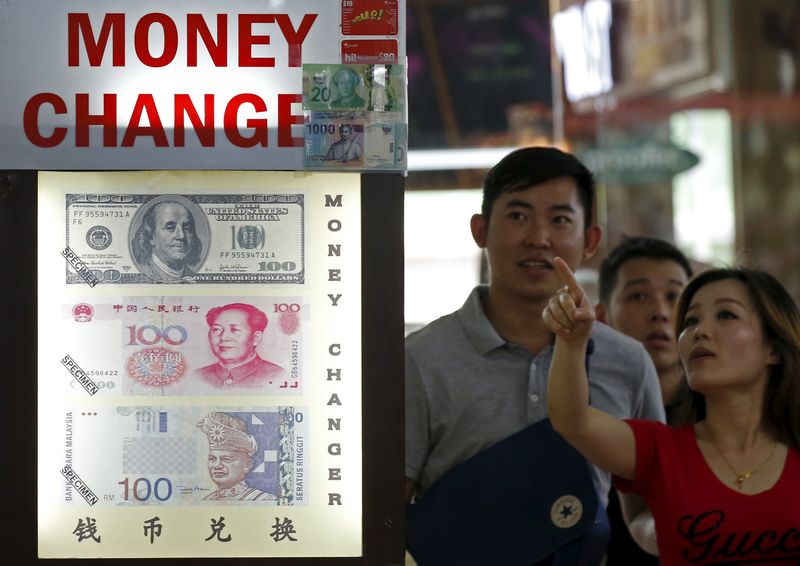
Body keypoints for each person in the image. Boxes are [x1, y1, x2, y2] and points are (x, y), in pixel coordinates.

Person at [405, 147, 665, 564]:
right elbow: (385, 514)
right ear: (480, 230)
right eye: (517, 216)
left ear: (590, 240)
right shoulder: (420, 360)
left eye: (560, 220)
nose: (538, 238)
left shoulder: (627, 362)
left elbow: (653, 504)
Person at [544, 260, 800, 565]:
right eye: (691, 321)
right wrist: (572, 341)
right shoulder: (659, 449)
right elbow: (572, 420)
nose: (700, 331)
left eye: (726, 315)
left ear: (772, 348)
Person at [596, 236, 693, 563]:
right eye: (638, 296)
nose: (660, 313)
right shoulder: (584, 416)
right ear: (601, 318)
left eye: (674, 297)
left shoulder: (721, 414)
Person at [194, 303, 284, 387]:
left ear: (256, 338)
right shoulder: (197, 376)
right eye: (216, 329)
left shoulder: (277, 375)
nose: (223, 337)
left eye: (234, 330)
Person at [196, 412, 277, 501]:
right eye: (212, 459)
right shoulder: (207, 500)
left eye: (226, 459)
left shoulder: (263, 499)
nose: (217, 465)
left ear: (247, 465)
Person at [131, 199, 203, 282]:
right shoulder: (142, 273)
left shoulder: (197, 278)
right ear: (151, 237)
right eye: (170, 228)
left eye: (187, 228)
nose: (181, 236)